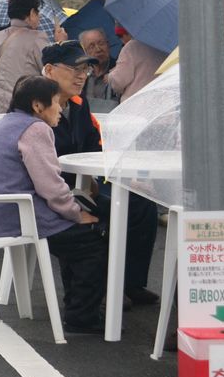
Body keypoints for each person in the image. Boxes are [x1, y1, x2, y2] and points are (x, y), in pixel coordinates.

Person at [0, 76, 108, 335]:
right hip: (14, 214)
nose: (60, 109)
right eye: (56, 103)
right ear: (38, 106)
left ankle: (78, 308)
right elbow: (50, 187)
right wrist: (77, 214)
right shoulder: (35, 129)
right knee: (91, 240)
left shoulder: (9, 122)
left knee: (78, 234)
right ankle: (82, 317)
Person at [42, 41, 159, 309]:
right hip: (56, 191)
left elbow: (96, 147)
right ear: (49, 70)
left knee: (142, 206)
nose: (82, 75)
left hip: (87, 184)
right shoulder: (37, 105)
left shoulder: (79, 105)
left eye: (85, 69)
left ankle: (129, 282)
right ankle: (101, 288)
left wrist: (125, 179)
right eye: (75, 68)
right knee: (110, 212)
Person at [0, 0, 50, 114]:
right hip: (26, 109)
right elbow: (50, 71)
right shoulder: (37, 38)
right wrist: (60, 42)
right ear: (31, 13)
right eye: (37, 13)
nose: (39, 17)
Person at [107, 22, 167, 101]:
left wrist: (110, 76)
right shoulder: (165, 45)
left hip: (135, 104)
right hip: (161, 101)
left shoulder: (131, 47)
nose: (122, 40)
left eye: (120, 35)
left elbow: (119, 81)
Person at [78, 28, 117, 104]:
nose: (98, 49)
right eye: (91, 46)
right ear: (84, 52)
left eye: (101, 43)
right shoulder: (81, 74)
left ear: (108, 45)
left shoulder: (119, 69)